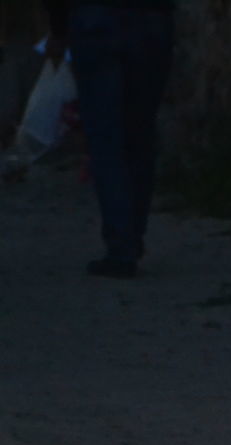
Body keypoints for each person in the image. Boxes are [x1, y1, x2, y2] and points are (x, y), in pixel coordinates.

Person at [52, 0, 174, 277]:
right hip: (151, 21)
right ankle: (131, 236)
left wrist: (58, 29)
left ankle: (122, 244)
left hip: (96, 18)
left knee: (106, 138)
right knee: (139, 136)